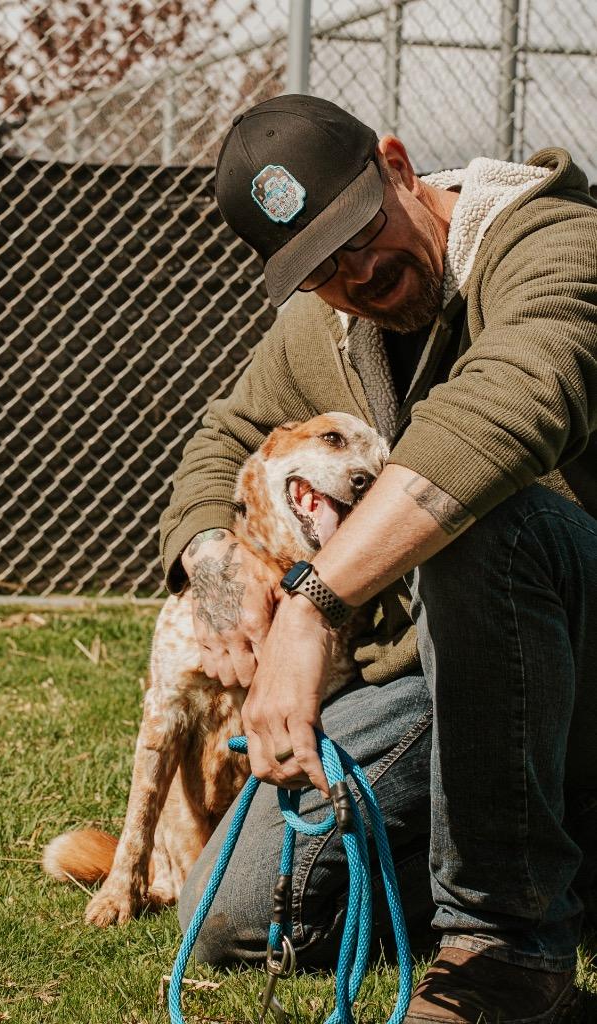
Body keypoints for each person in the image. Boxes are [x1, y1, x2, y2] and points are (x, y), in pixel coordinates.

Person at [159, 94, 597, 1023]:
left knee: (480, 515)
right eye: (323, 264)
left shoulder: (555, 241)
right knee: (229, 921)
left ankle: (505, 949)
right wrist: (215, 566)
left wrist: (312, 605)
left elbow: (509, 407)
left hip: (578, 641)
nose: (360, 271)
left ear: (398, 165)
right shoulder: (328, 323)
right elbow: (223, 435)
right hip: (452, 685)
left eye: (362, 231)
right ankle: (537, 852)